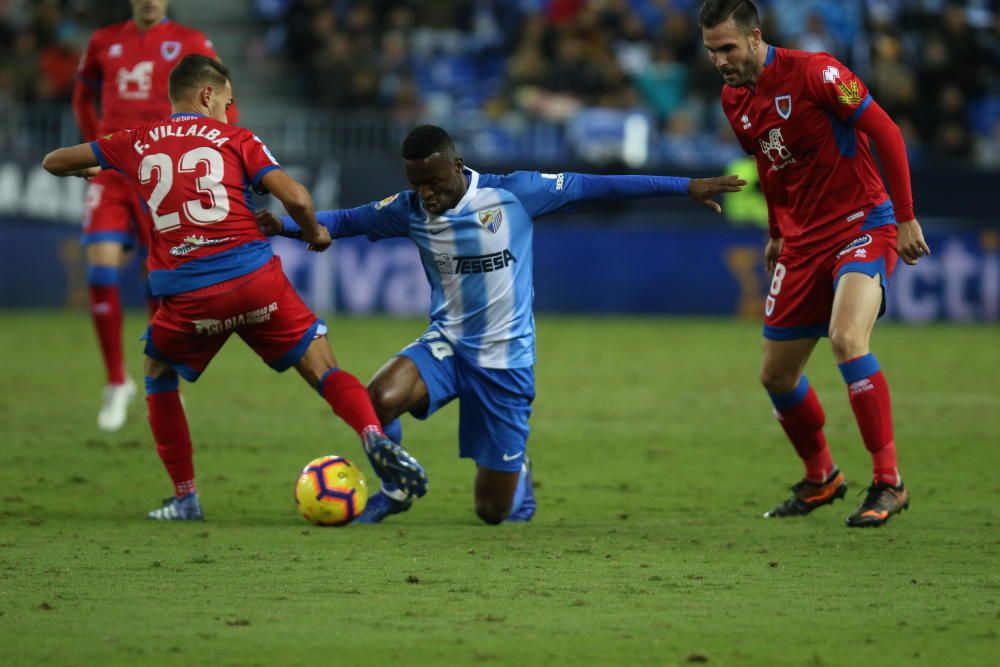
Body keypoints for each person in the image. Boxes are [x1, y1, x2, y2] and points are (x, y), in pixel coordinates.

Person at [258, 124, 745, 525]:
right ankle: (397, 486)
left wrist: (684, 187)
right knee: (378, 400)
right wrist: (284, 226)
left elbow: (599, 186)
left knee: (492, 513)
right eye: (415, 184)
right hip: (446, 347)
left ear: (456, 165)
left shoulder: (515, 193)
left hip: (505, 363)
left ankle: (518, 475)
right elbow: (346, 220)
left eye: (433, 182)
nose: (425, 194)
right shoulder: (409, 210)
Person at [44, 54, 428, 520]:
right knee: (323, 366)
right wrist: (314, 233)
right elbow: (298, 197)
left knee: (158, 375)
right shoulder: (236, 137)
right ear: (208, 94)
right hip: (254, 281)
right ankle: (371, 434)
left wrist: (89, 168)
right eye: (228, 101)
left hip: (190, 297)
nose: (230, 110)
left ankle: (186, 497)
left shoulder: (136, 140)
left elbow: (55, 160)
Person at [699, 0, 932, 527]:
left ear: (756, 38)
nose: (720, 60)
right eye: (712, 51)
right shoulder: (734, 99)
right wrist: (778, 232)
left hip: (861, 225)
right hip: (802, 242)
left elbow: (888, 132)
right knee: (777, 376)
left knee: (849, 340)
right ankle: (822, 476)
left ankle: (889, 481)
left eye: (728, 48)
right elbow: (769, 166)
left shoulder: (818, 72)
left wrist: (906, 218)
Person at [73, 0, 237, 432]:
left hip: (162, 174)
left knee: (158, 281)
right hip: (113, 171)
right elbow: (81, 94)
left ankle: (163, 381)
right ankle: (115, 380)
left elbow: (223, 97)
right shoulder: (103, 42)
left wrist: (224, 146)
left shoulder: (189, 42)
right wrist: (95, 145)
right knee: (100, 267)